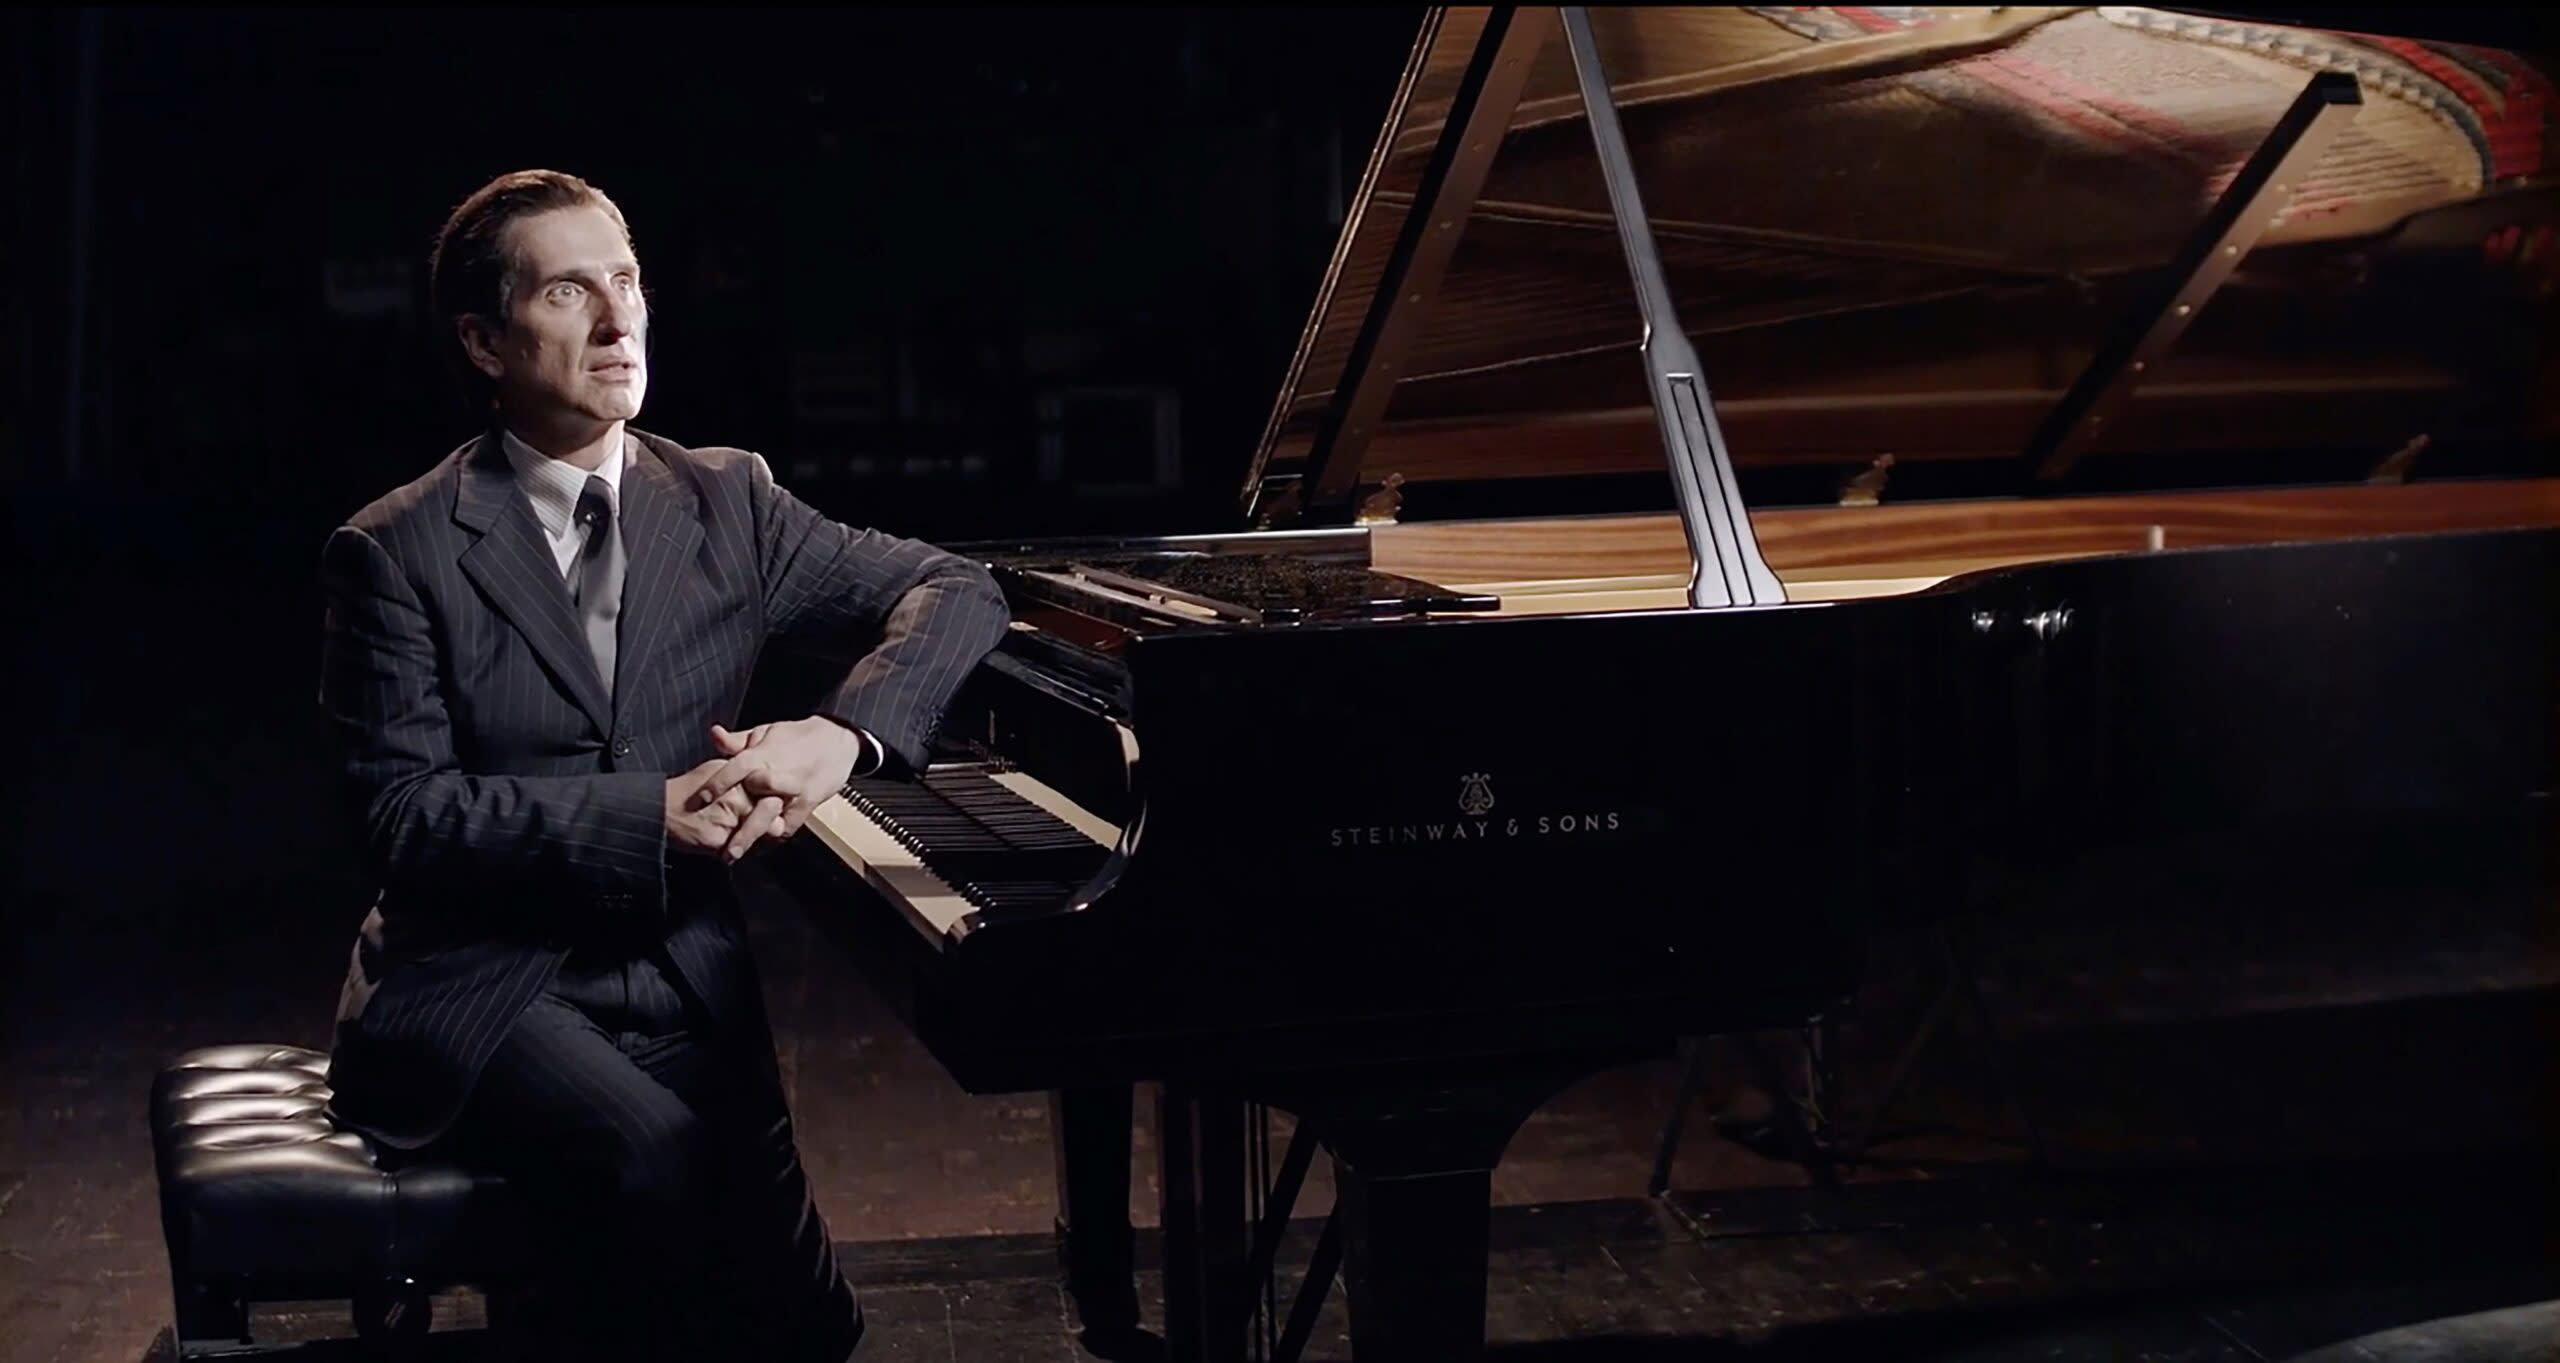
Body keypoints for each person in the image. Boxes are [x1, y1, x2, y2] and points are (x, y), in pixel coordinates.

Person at [315, 168, 1009, 1361]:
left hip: (684, 977)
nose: (615, 319)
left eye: (625, 281)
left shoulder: (726, 499)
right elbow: (402, 818)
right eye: (567, 291)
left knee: (810, 1331)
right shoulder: (396, 548)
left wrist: (840, 735)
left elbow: (958, 587)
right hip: (484, 986)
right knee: (648, 1166)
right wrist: (650, 815)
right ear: (483, 341)